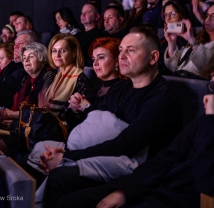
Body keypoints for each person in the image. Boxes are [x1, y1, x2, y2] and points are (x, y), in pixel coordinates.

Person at [58, 46, 214, 208]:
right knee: (70, 201)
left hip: (179, 199)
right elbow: (165, 159)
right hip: (155, 187)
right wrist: (124, 191)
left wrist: (212, 120)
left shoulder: (210, 119)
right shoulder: (209, 120)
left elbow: (211, 181)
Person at [39, 27, 183, 208]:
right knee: (43, 158)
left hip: (140, 170)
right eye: (121, 50)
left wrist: (68, 156)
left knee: (59, 179)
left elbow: (124, 145)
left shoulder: (162, 98)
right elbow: (94, 123)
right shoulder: (121, 88)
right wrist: (65, 152)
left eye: (131, 50)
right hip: (113, 156)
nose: (121, 56)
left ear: (153, 57)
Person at [0, 42, 56, 154]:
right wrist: (4, 114)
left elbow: (41, 111)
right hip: (21, 124)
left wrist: (11, 115)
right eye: (24, 57)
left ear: (42, 59)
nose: (26, 60)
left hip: (35, 131)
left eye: (31, 56)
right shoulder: (24, 78)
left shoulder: (48, 75)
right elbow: (16, 106)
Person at [165, 1, 214, 77]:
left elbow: (212, 67)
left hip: (196, 85)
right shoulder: (199, 39)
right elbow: (172, 66)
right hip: (179, 80)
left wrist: (192, 41)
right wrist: (171, 43)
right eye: (207, 15)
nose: (208, 19)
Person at [67, 37, 125, 129]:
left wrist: (86, 107)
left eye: (101, 57)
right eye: (94, 59)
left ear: (117, 61)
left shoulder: (123, 88)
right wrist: (75, 107)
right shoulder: (96, 88)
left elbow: (110, 126)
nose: (95, 63)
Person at [44, 33, 91, 120]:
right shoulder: (57, 75)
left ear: (74, 53)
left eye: (62, 51)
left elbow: (82, 112)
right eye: (54, 50)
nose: (57, 55)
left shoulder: (80, 77)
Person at [158, 0, 191, 75]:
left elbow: (173, 68)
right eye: (165, 15)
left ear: (182, 15)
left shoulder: (190, 41)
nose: (168, 18)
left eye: (172, 13)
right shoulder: (161, 40)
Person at [75, 2, 103, 66]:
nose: (83, 15)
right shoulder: (77, 36)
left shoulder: (100, 36)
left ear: (97, 16)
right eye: (82, 13)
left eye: (88, 12)